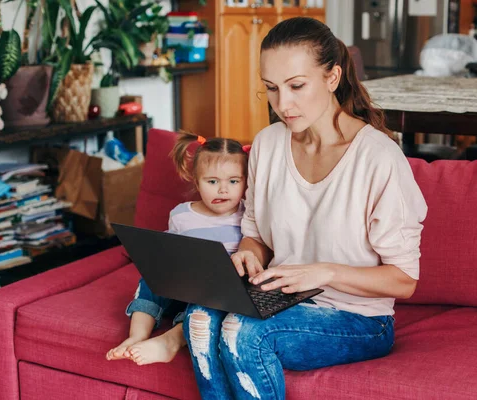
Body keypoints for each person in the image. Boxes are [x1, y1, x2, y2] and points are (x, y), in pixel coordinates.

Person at [179, 16, 428, 400]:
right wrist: (248, 253)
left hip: (358, 318)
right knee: (197, 318)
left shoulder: (378, 158)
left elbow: (404, 280)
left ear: (332, 78)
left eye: (297, 86)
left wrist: (323, 273)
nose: (283, 104)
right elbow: (256, 233)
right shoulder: (267, 144)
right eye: (272, 89)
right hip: (279, 297)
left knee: (241, 333)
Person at [106, 132, 249, 366]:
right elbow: (170, 250)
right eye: (212, 182)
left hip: (215, 293)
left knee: (206, 307)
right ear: (196, 181)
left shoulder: (247, 215)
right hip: (183, 283)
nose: (223, 190)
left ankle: (174, 339)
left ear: (245, 181)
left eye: (233, 181)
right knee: (150, 281)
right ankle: (136, 336)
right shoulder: (182, 214)